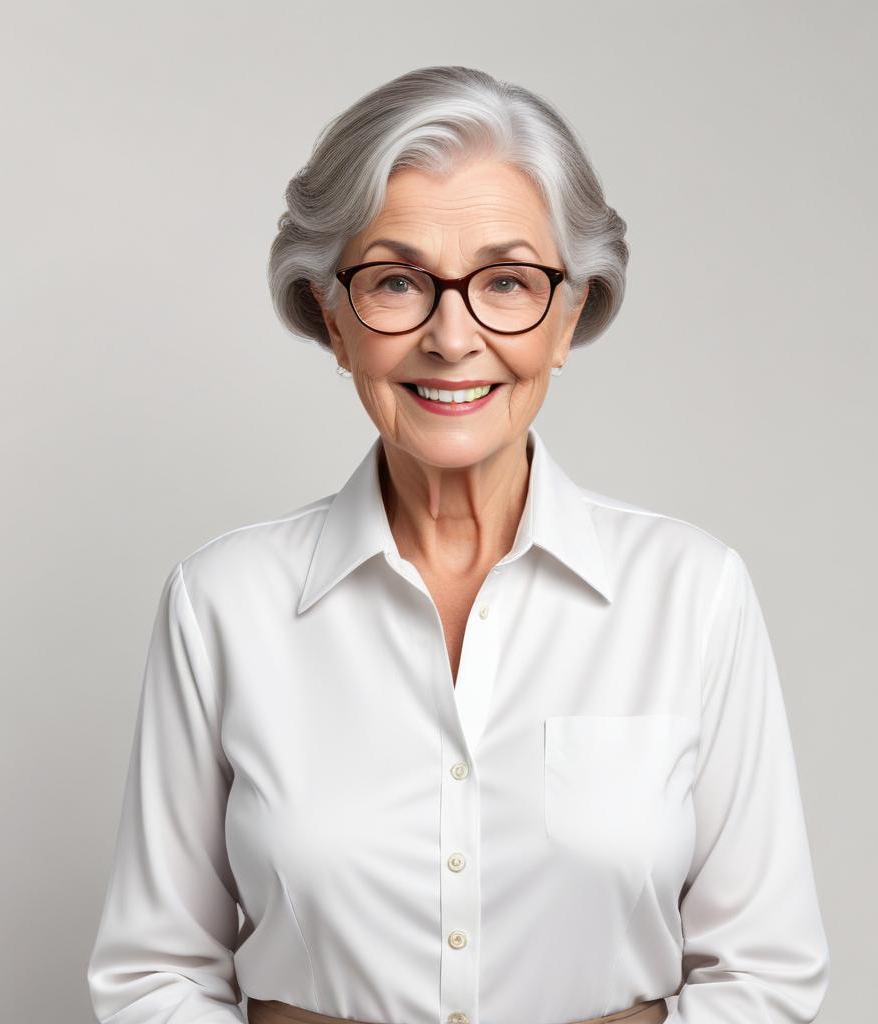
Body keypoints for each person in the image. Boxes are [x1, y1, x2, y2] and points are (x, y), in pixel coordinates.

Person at [86, 65, 830, 1024]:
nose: (452, 335)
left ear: (567, 317)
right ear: (333, 318)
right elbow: (153, 976)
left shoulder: (694, 595)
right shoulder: (221, 604)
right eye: (396, 280)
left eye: (507, 282)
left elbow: (767, 975)